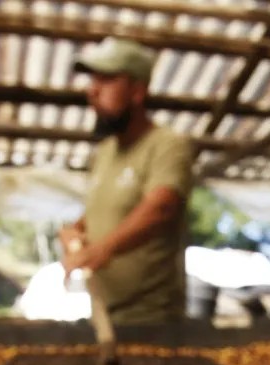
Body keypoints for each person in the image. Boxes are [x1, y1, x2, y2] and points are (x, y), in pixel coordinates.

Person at [58, 37, 196, 331]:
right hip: (105, 316)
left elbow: (161, 208)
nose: (93, 90)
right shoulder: (105, 152)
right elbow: (106, 210)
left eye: (107, 80)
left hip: (151, 321)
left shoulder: (168, 145)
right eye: (93, 80)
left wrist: (101, 250)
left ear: (137, 91)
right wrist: (78, 230)